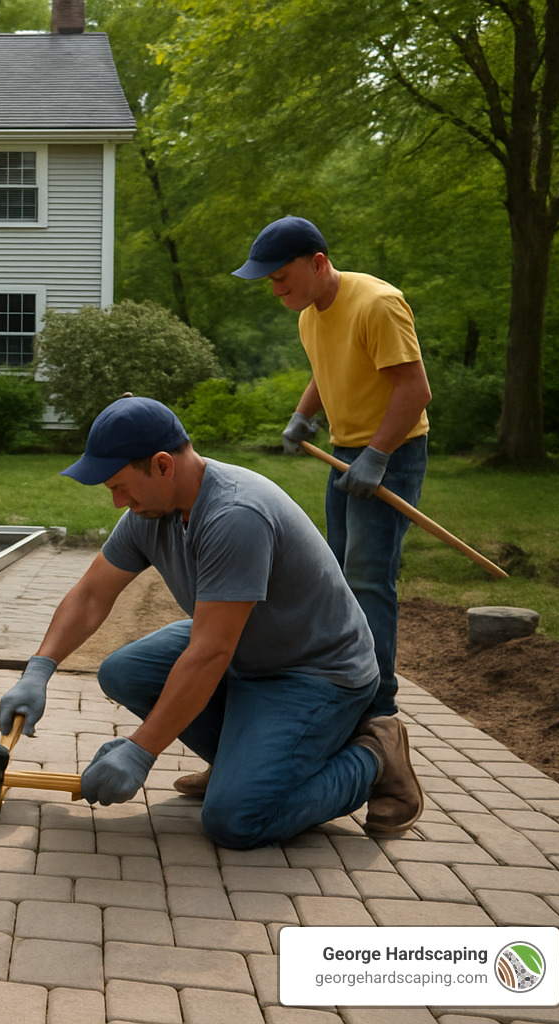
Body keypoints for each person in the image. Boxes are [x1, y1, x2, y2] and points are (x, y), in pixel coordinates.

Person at [0, 397, 423, 848]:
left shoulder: (235, 515)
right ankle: (243, 762)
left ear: (163, 465)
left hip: (314, 672)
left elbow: (210, 653)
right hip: (246, 648)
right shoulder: (150, 512)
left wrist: (141, 749)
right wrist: (39, 669)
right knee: (123, 671)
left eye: (121, 486)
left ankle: (374, 753)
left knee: (237, 818)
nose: (118, 501)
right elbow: (90, 595)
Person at [233, 216, 431, 724]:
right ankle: (344, 680)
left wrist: (379, 457)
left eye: (281, 277)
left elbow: (414, 390)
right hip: (345, 453)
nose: (275, 290)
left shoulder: (378, 304)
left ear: (317, 263)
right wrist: (304, 414)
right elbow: (326, 370)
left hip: (392, 454)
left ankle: (378, 708)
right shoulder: (308, 314)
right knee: (337, 578)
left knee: (368, 578)